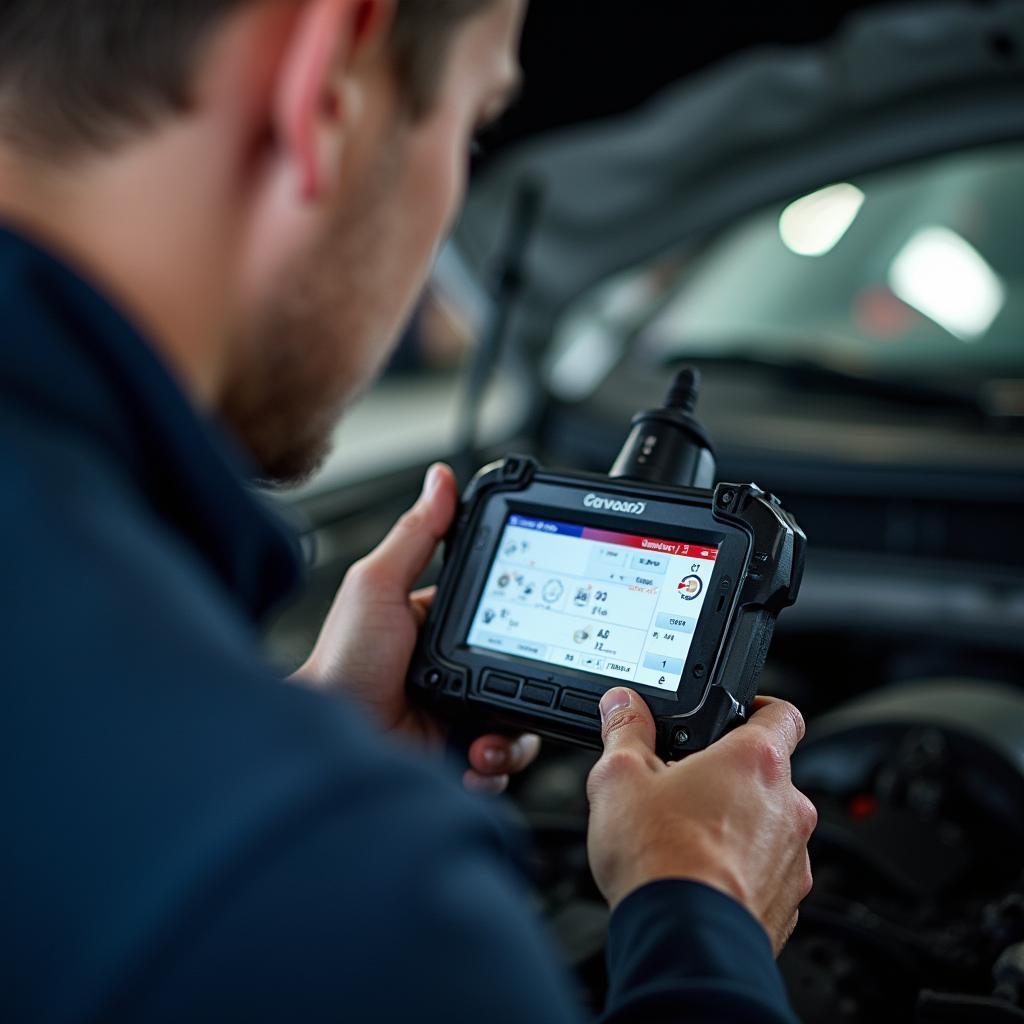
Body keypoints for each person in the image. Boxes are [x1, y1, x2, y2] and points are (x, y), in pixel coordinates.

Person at [0, 1, 817, 1021]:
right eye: (471, 126)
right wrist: (704, 916)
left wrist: (313, 730)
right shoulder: (334, 882)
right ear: (327, 79)